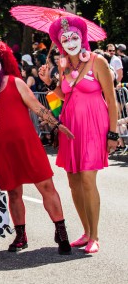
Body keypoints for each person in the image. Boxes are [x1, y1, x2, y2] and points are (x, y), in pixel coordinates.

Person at [0, 40, 73, 254]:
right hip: (3, 150)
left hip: (28, 145)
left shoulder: (15, 82)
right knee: (14, 194)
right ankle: (21, 235)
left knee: (47, 187)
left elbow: (36, 106)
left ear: (3, 64)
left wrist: (58, 125)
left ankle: (61, 232)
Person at [39, 16, 118, 253]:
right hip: (71, 127)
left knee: (87, 178)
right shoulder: (64, 66)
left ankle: (95, 236)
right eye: (65, 38)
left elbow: (112, 100)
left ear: (82, 38)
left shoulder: (98, 61)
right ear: (60, 43)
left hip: (95, 125)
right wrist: (48, 82)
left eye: (74, 36)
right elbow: (64, 96)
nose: (71, 41)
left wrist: (113, 133)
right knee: (73, 181)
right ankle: (85, 232)